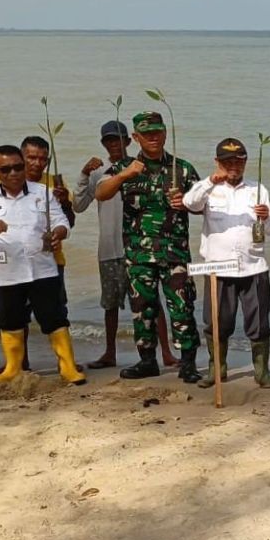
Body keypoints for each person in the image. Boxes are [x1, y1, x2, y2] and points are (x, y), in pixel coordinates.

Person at [0, 145, 85, 385]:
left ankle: (68, 367)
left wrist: (59, 233)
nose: (13, 173)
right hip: (6, 272)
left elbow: (62, 222)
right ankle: (13, 368)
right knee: (10, 321)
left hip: (43, 269)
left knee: (55, 318)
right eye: (6, 169)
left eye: (18, 167)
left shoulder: (43, 192)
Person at [95, 111, 203, 383]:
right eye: (147, 134)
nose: (153, 138)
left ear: (165, 133)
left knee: (182, 307)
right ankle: (147, 361)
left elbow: (204, 204)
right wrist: (124, 175)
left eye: (157, 132)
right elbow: (101, 194)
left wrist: (187, 203)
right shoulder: (126, 167)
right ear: (136, 137)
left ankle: (188, 363)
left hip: (174, 253)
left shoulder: (183, 168)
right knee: (142, 309)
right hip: (138, 254)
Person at [73, 120, 178, 370]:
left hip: (141, 248)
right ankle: (110, 353)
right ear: (103, 144)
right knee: (110, 304)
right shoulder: (100, 172)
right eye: (109, 140)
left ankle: (166, 352)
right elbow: (78, 205)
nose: (114, 144)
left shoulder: (139, 167)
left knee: (151, 302)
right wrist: (84, 173)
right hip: (109, 248)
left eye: (119, 140)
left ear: (129, 141)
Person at [184, 137, 270, 389]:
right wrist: (209, 182)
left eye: (238, 161)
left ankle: (262, 372)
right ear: (217, 162)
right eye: (227, 162)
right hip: (217, 268)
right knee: (217, 322)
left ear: (245, 162)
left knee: (259, 323)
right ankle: (218, 369)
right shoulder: (207, 189)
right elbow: (188, 203)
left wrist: (267, 216)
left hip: (254, 267)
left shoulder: (257, 189)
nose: (233, 166)